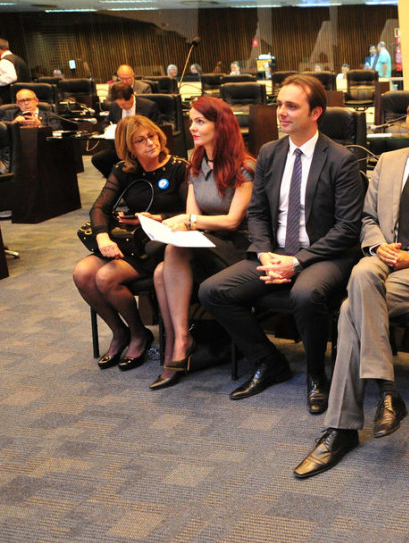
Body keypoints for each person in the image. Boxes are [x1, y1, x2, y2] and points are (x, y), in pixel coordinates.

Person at [292, 94, 409, 479]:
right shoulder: (387, 162)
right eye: (408, 112)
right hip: (383, 260)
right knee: (362, 273)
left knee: (349, 309)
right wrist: (378, 246)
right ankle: (385, 393)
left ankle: (343, 427)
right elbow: (367, 217)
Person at [199, 74, 364, 404]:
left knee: (304, 295)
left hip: (323, 256)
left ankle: (317, 375)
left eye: (291, 106)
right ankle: (269, 361)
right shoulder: (270, 153)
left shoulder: (340, 159)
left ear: (315, 113)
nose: (281, 112)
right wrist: (263, 254)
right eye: (279, 105)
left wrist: (297, 261)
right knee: (213, 291)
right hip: (274, 252)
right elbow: (257, 213)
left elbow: (347, 228)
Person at [148, 96, 255, 390]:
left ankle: (181, 342)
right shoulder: (196, 163)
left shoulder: (244, 167)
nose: (192, 127)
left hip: (237, 247)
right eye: (191, 120)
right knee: (160, 273)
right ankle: (174, 342)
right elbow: (193, 216)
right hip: (206, 242)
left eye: (200, 121)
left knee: (174, 248)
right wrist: (176, 223)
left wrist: (188, 222)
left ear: (219, 126)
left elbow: (233, 221)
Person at [73, 116, 188, 372]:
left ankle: (138, 334)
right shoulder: (124, 170)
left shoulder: (179, 167)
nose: (150, 143)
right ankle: (120, 332)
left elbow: (190, 212)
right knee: (82, 273)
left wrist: (157, 217)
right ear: (129, 147)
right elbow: (100, 207)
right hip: (130, 241)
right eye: (141, 140)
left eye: (153, 136)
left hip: (159, 246)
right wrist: (102, 235)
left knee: (105, 278)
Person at [92, 83, 161, 178]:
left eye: (123, 104)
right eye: (119, 104)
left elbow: (156, 128)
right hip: (122, 147)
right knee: (97, 159)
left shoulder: (148, 106)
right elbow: (105, 124)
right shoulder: (114, 106)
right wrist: (108, 129)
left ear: (132, 97)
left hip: (142, 145)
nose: (121, 107)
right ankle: (118, 180)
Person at [0, 38, 30, 104]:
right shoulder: (17, 58)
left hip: (13, 99)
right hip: (22, 96)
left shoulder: (5, 61)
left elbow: (11, 77)